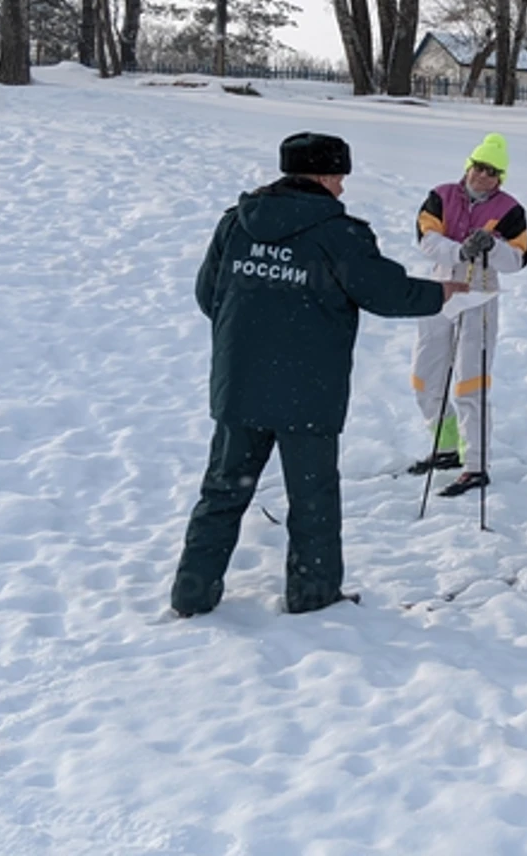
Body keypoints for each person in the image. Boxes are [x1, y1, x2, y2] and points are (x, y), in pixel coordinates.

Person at [171, 133, 467, 617]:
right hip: (308, 391)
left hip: (240, 384)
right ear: (324, 177)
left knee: (223, 490)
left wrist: (252, 334)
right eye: (339, 178)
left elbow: (209, 295)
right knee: (312, 499)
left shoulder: (235, 225)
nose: (343, 189)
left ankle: (192, 594)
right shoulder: (338, 233)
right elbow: (383, 291)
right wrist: (440, 293)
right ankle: (312, 595)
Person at [409, 132, 527, 495]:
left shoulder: (510, 210)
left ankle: (475, 464)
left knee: (469, 383)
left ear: (500, 178)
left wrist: (490, 246)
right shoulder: (441, 196)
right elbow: (426, 238)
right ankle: (445, 445)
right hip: (442, 290)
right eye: (479, 167)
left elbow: (519, 259)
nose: (483, 176)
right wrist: (459, 251)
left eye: (493, 172)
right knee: (424, 376)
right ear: (469, 166)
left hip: (479, 297)